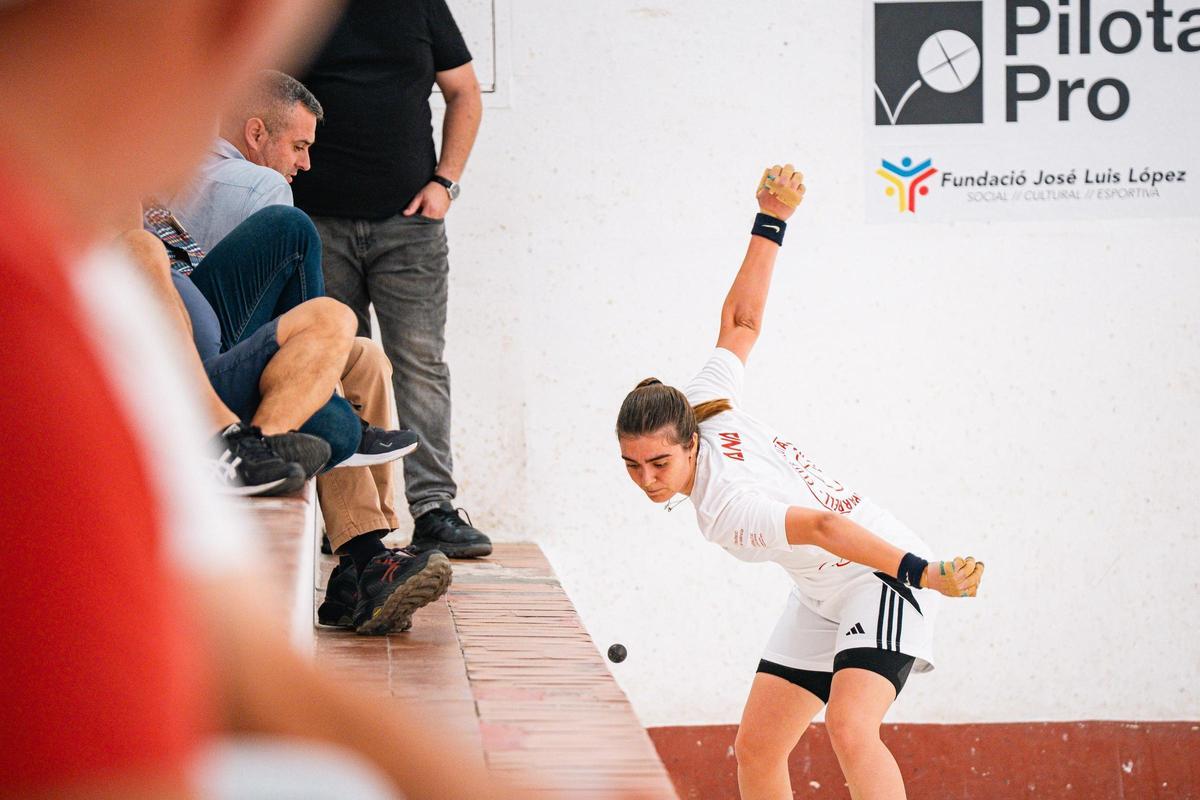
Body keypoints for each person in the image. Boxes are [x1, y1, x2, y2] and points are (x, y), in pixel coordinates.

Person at [0, 0, 538, 794]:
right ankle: (293, 453)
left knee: (354, 348)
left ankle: (355, 548)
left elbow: (244, 664)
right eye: (298, 145)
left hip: (202, 345)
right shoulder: (101, 265)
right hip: (204, 353)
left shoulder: (78, 289)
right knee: (306, 313)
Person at [614, 164, 986, 800]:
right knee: (757, 748)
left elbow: (825, 526)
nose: (648, 480)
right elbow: (742, 321)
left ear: (688, 444)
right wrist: (772, 218)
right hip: (818, 594)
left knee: (850, 726)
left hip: (879, 575)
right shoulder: (702, 403)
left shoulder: (728, 505)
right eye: (633, 466)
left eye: (660, 465)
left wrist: (921, 572)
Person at [293, 0, 492, 559]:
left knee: (420, 366)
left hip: (411, 227)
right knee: (337, 366)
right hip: (316, 223)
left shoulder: (421, 4)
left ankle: (434, 510)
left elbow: (465, 93)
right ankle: (357, 527)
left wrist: (445, 184)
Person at [169, 69, 321, 252]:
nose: (306, 164)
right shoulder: (269, 186)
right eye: (298, 147)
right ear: (256, 133)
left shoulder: (167, 167)